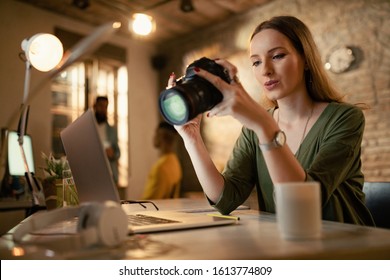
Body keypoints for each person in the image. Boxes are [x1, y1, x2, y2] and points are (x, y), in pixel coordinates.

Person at [168, 16, 374, 226]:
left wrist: (264, 126)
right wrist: (192, 137)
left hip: (346, 248)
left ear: (305, 59)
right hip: (288, 248)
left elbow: (302, 205)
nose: (265, 70)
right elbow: (225, 200)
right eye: (256, 62)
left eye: (277, 56)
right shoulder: (255, 128)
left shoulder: (345, 118)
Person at [142, 121, 182, 199]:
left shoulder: (160, 168)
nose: (153, 136)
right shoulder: (175, 161)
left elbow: (147, 203)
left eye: (155, 133)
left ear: (162, 136)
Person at [93, 96, 120, 185]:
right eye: (100, 106)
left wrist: (112, 153)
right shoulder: (88, 128)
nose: (103, 109)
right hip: (93, 172)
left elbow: (118, 152)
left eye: (105, 106)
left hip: (109, 175)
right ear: (95, 106)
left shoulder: (112, 130)